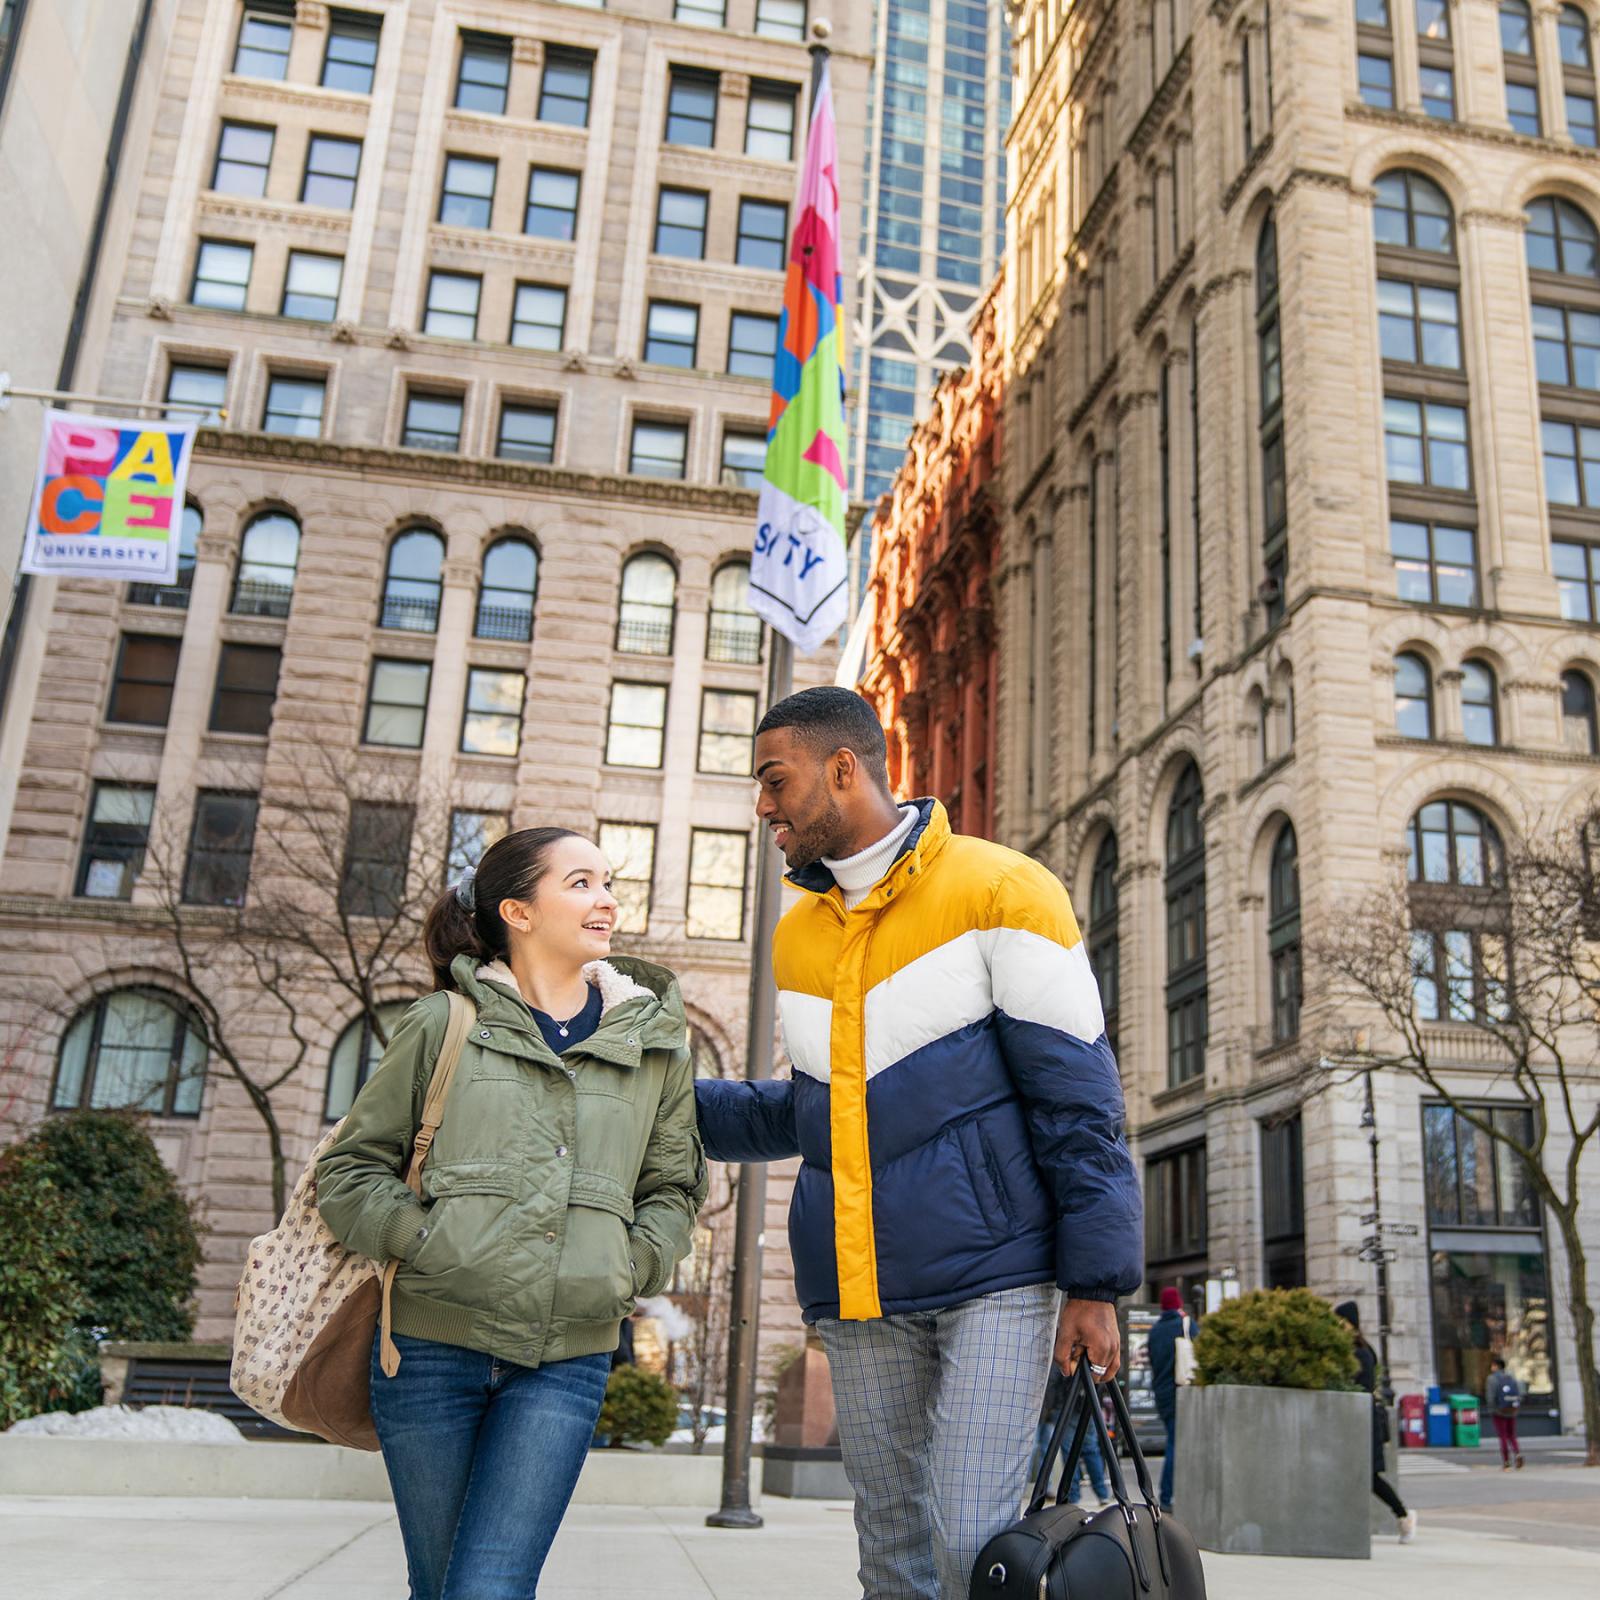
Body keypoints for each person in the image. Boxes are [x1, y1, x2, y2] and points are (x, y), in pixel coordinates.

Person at [695, 687, 1143, 1599]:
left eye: (775, 781)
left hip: (999, 1277)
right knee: (890, 1543)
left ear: (844, 768)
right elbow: (811, 1113)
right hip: (858, 1289)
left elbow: (1080, 1105)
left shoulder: (1003, 889)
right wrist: (672, 1105)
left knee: (969, 1533)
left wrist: (1095, 1284)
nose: (764, 807)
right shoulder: (800, 936)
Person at [317, 828, 707, 1600]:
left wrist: (628, 1266)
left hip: (567, 1359)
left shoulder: (654, 1043)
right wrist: (422, 1240)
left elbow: (672, 1189)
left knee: (488, 1586)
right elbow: (349, 1168)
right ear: (518, 912)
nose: (607, 900)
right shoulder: (444, 1023)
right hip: (428, 1349)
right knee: (439, 1586)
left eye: (607, 882)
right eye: (582, 882)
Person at [1335, 1300, 1417, 1543]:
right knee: (1356, 1474)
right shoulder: (1357, 1350)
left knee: (1368, 1475)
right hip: (1357, 1418)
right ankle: (1397, 1516)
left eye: (1340, 1321)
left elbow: (1361, 1387)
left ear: (1349, 1323)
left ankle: (1403, 1515)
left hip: (1363, 1419)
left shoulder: (1360, 1353)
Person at [1033, 1365, 1111, 1507]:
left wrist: (1051, 1409)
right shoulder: (1089, 1352)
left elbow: (1052, 1382)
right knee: (1091, 1450)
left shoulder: (1062, 1353)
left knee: (1070, 1454)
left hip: (1066, 1406)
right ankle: (1102, 1493)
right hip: (1088, 1403)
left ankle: (1073, 1496)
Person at [1145, 1287, 1193, 1513]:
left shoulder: (1155, 1331)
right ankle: (1166, 1495)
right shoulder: (1184, 1325)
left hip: (1161, 1393)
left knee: (1174, 1439)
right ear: (1179, 1304)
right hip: (1181, 1391)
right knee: (1177, 1442)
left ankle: (1169, 1494)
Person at [1487, 1355, 1525, 1470]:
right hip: (1511, 1410)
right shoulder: (1511, 1377)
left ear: (1496, 1366)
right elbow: (1520, 1393)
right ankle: (1517, 1453)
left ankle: (1506, 1461)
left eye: (1492, 1365)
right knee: (1512, 1435)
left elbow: (1490, 1397)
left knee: (1503, 1436)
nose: (1491, 1367)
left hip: (1499, 1411)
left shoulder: (1492, 1379)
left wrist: (1492, 1409)